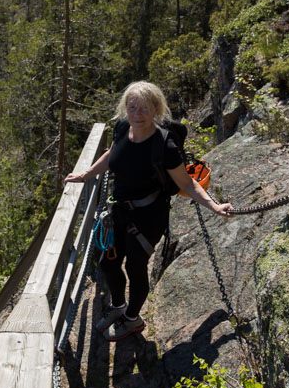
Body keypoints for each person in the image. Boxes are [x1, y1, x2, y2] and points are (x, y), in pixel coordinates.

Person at [65, 81, 232, 340]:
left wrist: (213, 205)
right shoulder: (122, 127)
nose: (137, 114)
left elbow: (186, 182)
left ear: (156, 109)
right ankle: (119, 306)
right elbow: (111, 154)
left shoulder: (164, 146)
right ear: (125, 108)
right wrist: (86, 174)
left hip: (147, 217)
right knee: (107, 264)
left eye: (144, 108)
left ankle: (132, 319)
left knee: (135, 266)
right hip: (119, 211)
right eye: (132, 108)